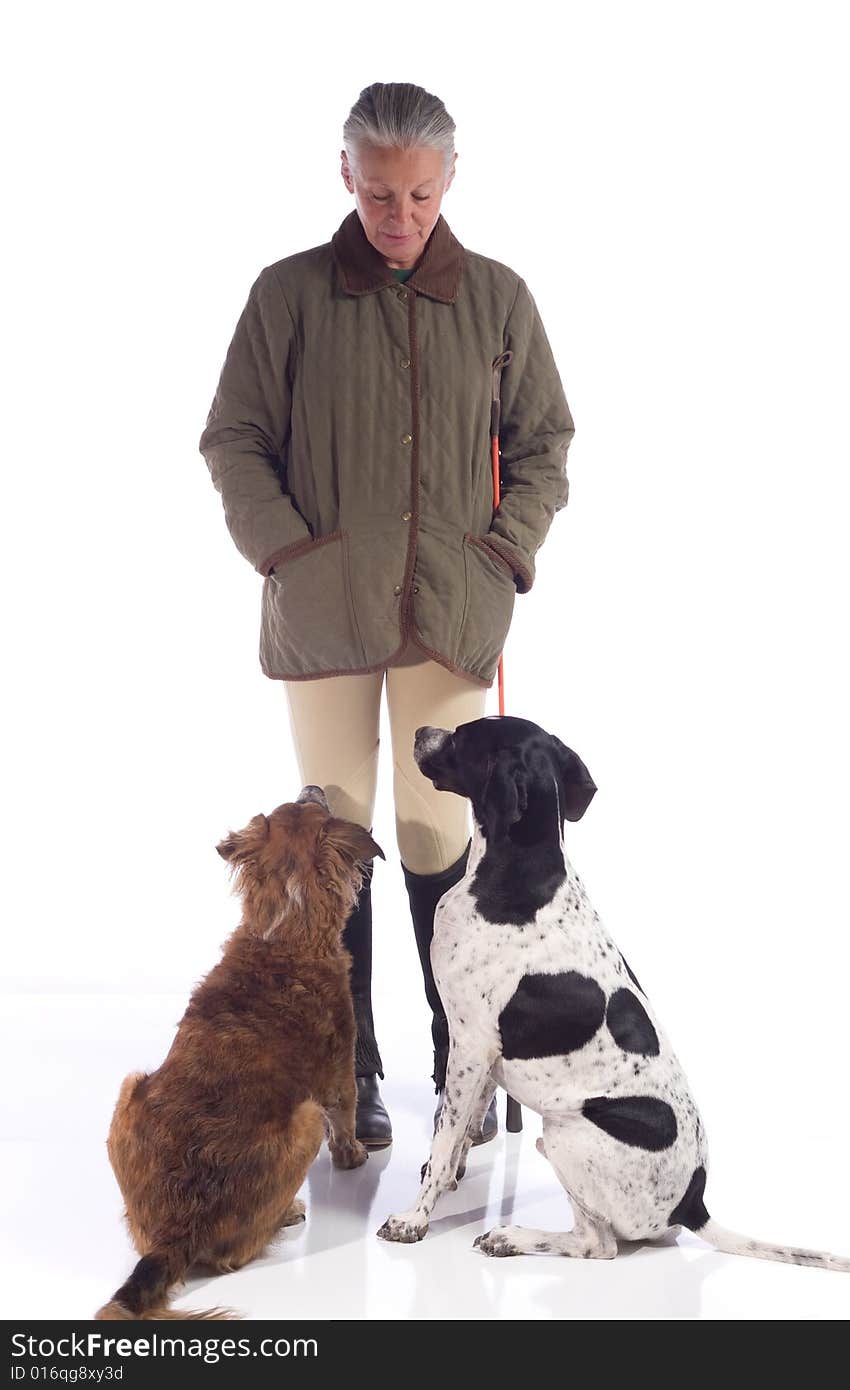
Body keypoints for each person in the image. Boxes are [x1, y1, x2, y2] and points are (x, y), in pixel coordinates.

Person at [198, 81, 574, 1149]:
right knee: (333, 839)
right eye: (377, 195)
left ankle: (467, 1054)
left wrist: (502, 550)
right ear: (346, 179)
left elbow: (544, 442)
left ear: (448, 181)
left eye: (416, 194)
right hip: (322, 610)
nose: (398, 217)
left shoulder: (497, 300)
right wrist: (285, 550)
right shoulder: (289, 295)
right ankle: (347, 1067)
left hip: (451, 608)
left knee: (435, 830)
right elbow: (233, 437)